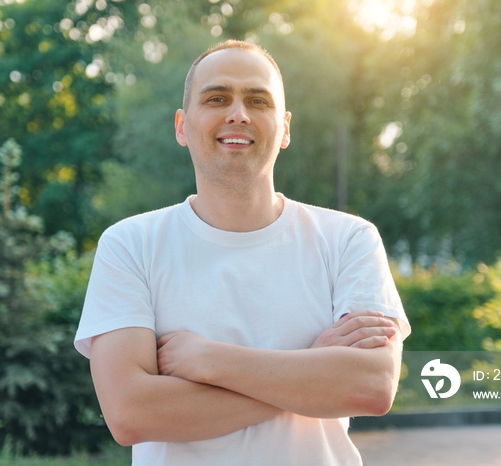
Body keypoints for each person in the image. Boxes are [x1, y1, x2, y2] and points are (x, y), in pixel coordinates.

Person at [74, 39, 411, 466]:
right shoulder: (130, 246)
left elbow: (372, 387)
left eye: (258, 100)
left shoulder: (348, 240)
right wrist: (311, 369)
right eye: (217, 98)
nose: (238, 113)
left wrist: (207, 360)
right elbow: (131, 414)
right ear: (181, 126)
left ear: (285, 128)